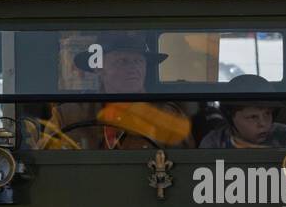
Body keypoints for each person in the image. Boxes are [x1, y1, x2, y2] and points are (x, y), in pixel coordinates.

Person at [49, 31, 192, 149]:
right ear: (98, 68)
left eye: (139, 61)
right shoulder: (68, 115)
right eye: (122, 61)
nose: (133, 68)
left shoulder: (168, 116)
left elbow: (187, 167)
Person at [198, 73, 286, 148]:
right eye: (253, 117)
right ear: (231, 117)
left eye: (267, 114)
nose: (263, 123)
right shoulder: (214, 142)